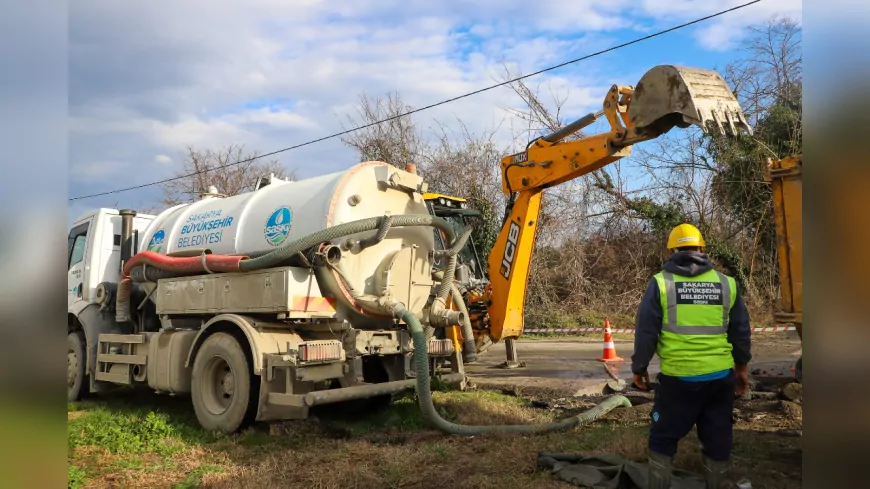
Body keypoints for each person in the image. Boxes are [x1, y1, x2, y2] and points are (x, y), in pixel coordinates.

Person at [631, 223, 751, 489]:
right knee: (717, 435)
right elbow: (740, 331)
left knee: (662, 436)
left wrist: (639, 368)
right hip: (720, 379)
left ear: (672, 249)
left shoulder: (661, 283)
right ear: (702, 249)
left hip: (678, 380)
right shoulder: (726, 283)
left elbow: (646, 332)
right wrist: (741, 369)